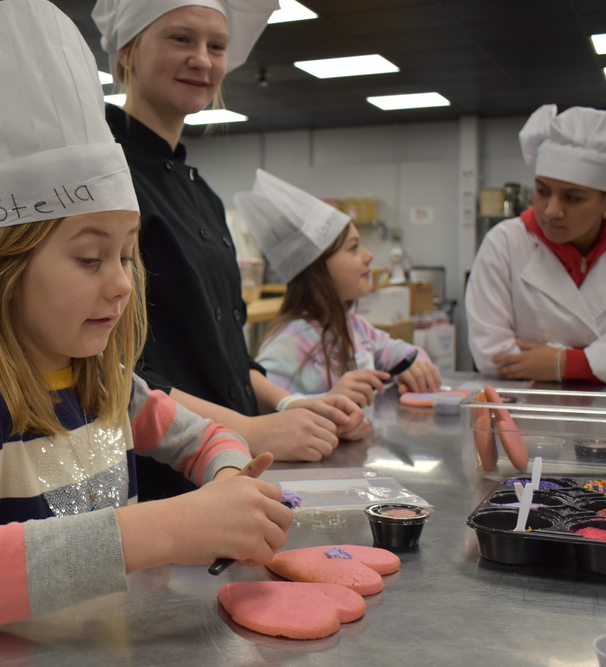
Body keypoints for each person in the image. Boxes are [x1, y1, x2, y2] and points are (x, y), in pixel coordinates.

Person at [0, 0, 293, 640]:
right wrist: (164, 529)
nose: (122, 282)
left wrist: (228, 487)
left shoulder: (107, 386)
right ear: (3, 269)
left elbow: (208, 439)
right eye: (91, 257)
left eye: (126, 256)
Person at [92, 0, 365, 494]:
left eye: (216, 46)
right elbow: (111, 369)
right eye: (181, 39)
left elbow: (225, 351)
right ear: (127, 51)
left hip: (227, 464)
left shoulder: (204, 196)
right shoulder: (105, 177)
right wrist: (252, 429)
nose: (203, 59)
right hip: (157, 475)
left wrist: (288, 406)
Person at [238, 170, 442, 409]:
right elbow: (258, 409)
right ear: (317, 269)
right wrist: (327, 399)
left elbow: (394, 350)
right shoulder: (292, 342)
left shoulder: (352, 326)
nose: (369, 256)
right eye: (354, 248)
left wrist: (413, 363)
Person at [466, 104, 606, 383]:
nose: (552, 211)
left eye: (573, 198)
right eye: (542, 192)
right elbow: (491, 353)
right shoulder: (505, 243)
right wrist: (595, 360)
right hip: (524, 409)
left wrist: (562, 363)